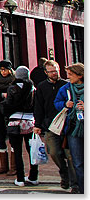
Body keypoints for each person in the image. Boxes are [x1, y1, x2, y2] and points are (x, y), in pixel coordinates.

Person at [33, 60, 78, 193]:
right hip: (51, 125)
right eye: (51, 71)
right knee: (54, 152)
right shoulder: (41, 87)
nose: (55, 73)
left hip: (67, 124)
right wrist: (37, 124)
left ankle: (74, 183)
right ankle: (64, 174)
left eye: (56, 71)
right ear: (46, 72)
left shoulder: (67, 85)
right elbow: (38, 106)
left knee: (70, 155)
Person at [1, 65, 38, 187]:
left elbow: (8, 105)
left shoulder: (12, 88)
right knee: (31, 149)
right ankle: (33, 176)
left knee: (17, 151)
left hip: (15, 121)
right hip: (29, 121)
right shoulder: (33, 89)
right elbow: (36, 106)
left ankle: (20, 178)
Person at [54, 63, 84, 194]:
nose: (68, 77)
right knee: (77, 162)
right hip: (73, 129)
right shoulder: (66, 88)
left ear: (80, 75)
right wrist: (65, 104)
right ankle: (83, 189)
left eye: (71, 74)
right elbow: (57, 103)